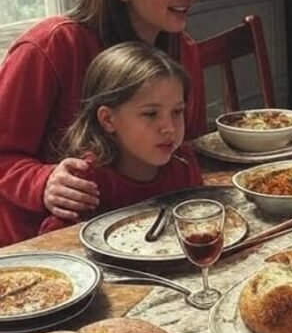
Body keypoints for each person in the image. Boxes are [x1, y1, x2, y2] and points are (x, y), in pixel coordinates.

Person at [0, 0, 206, 246]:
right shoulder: (50, 47)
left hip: (145, 234)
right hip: (41, 245)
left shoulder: (182, 49)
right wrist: (43, 181)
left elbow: (185, 145)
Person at [39, 42, 202, 235]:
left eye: (177, 111)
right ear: (108, 119)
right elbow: (55, 243)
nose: (169, 128)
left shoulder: (183, 163)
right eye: (150, 114)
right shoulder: (86, 182)